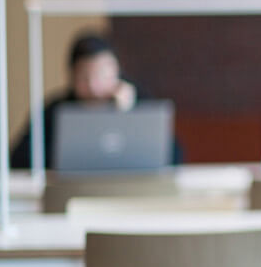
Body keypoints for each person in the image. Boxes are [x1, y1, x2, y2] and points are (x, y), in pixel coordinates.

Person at [10, 32, 180, 169]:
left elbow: (174, 155)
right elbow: (18, 158)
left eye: (101, 77)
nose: (93, 88)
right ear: (72, 76)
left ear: (116, 71)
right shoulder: (56, 109)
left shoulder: (140, 102)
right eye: (84, 78)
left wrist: (128, 115)